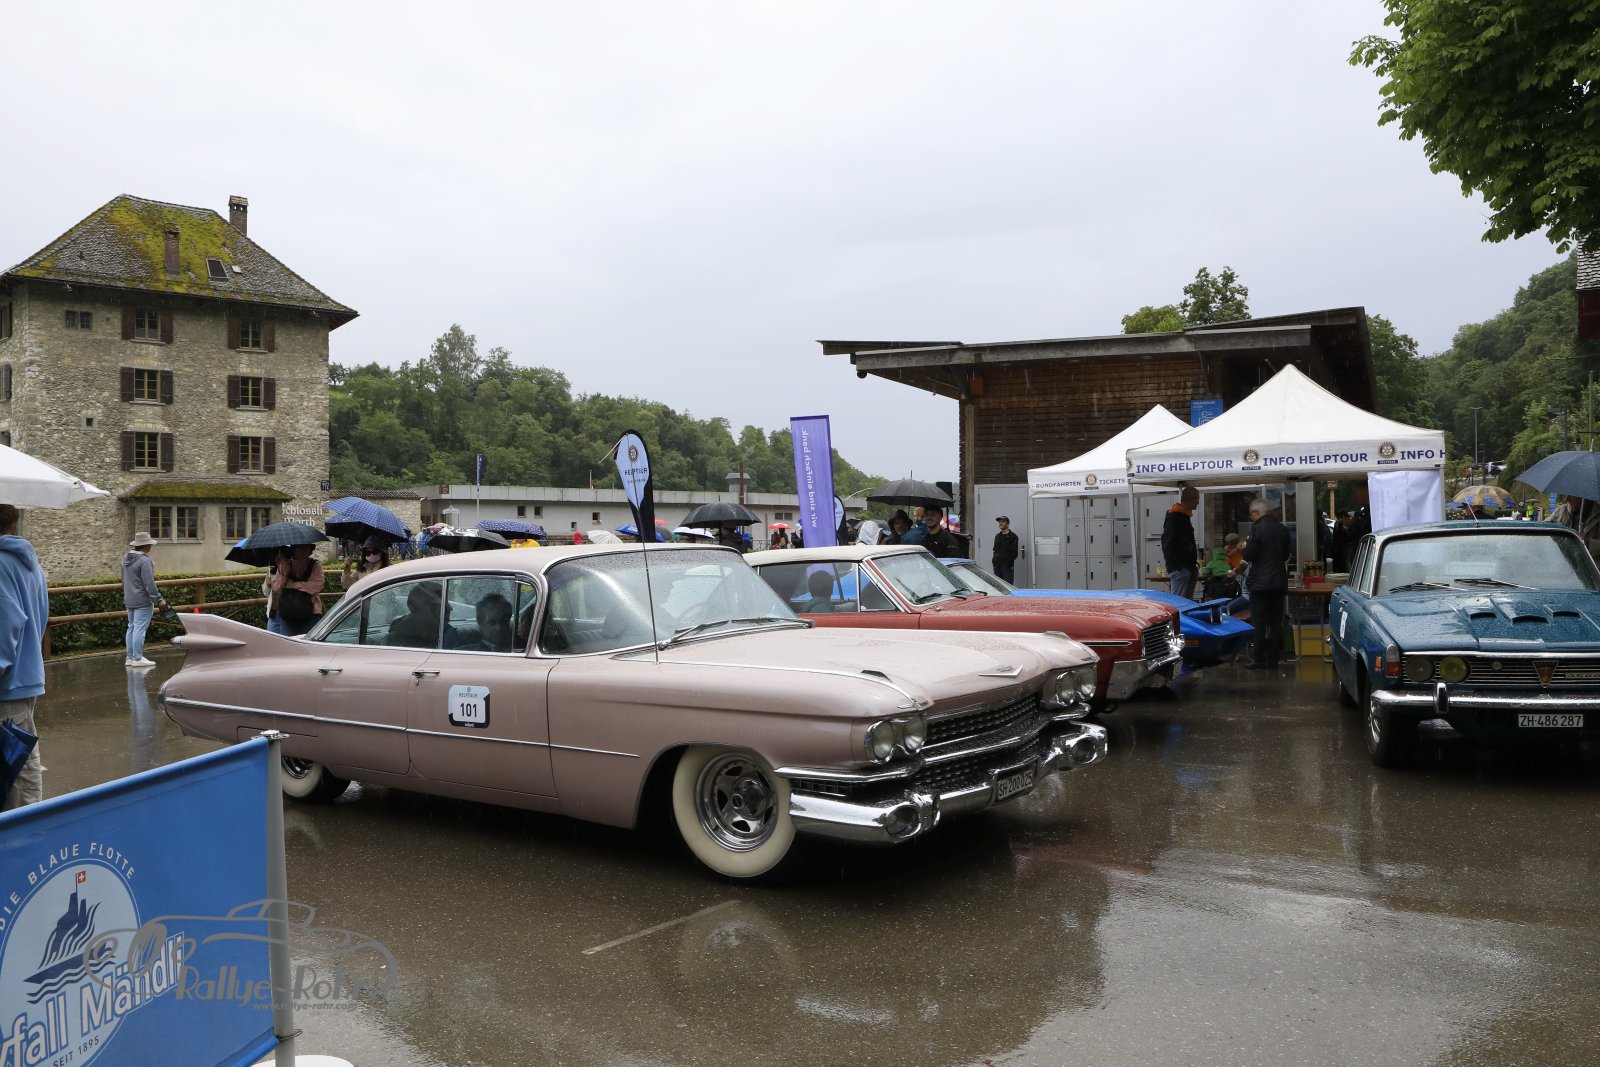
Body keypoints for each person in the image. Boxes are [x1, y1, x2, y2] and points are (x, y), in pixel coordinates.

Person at [0, 505, 49, 810]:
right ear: (14, 526)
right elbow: (39, 618)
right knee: (20, 760)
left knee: (16, 773)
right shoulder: (30, 564)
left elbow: (6, 626)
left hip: (6, 685)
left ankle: (25, 833)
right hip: (25, 676)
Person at [1242, 497, 1291, 670]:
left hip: (1260, 584)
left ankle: (1259, 658)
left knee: (1260, 621)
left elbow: (1249, 555)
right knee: (1276, 622)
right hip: (1278, 582)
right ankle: (1274, 659)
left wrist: (1244, 547)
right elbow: (1286, 554)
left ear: (1256, 512)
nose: (1251, 518)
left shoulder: (1256, 529)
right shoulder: (1282, 528)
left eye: (1251, 514)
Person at [121, 532, 167, 669]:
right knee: (139, 629)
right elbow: (149, 583)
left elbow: (123, 580)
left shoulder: (124, 558)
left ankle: (130, 657)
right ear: (146, 545)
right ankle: (137, 658)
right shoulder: (145, 561)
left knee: (131, 627)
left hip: (129, 598)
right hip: (142, 600)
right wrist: (158, 599)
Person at [268, 543, 325, 637]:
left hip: (311, 611)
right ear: (294, 549)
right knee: (288, 641)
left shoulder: (315, 565)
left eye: (307, 547)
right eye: (300, 547)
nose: (304, 550)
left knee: (310, 641)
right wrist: (284, 576)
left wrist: (294, 585)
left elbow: (318, 585)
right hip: (288, 611)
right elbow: (277, 589)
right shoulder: (284, 565)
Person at [1161, 486, 1200, 600]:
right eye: (1197, 499)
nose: (1198, 502)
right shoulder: (1175, 518)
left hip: (1186, 568)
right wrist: (1177, 567)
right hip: (1181, 569)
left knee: (1184, 602)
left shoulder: (1182, 516)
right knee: (1179, 602)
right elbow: (1167, 543)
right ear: (1191, 499)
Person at [992, 515, 1019, 583]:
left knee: (1007, 586)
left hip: (1007, 567)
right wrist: (994, 561)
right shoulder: (997, 536)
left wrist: (1007, 563)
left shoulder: (1013, 537)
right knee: (998, 586)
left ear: (1008, 524)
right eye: (999, 522)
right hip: (997, 566)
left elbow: (1014, 553)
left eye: (1003, 522)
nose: (1001, 523)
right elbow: (995, 550)